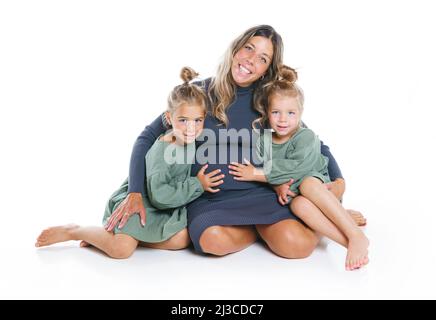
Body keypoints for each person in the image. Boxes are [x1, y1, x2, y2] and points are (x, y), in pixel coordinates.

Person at [106, 25, 365, 259]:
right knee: (211, 242)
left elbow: (314, 144)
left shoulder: (268, 101)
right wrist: (135, 192)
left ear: (267, 69)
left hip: (262, 192)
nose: (251, 60)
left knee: (295, 246)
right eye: (249, 49)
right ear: (235, 48)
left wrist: (339, 181)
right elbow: (146, 137)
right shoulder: (198, 93)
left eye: (262, 58)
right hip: (209, 198)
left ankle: (322, 217)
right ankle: (256, 229)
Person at [35, 67, 224, 259]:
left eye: (198, 120)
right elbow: (159, 196)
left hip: (164, 208)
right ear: (168, 118)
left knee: (182, 239)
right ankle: (75, 231)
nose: (191, 128)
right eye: (183, 120)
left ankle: (106, 237)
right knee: (121, 250)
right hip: (148, 203)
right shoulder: (163, 153)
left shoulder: (186, 139)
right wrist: (197, 184)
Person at [228, 65, 369, 270]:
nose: (283, 119)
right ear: (267, 113)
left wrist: (256, 174)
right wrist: (278, 187)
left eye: (290, 113)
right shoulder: (265, 140)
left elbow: (296, 168)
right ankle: (348, 242)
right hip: (299, 199)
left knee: (308, 184)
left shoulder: (305, 136)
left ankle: (355, 234)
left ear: (300, 113)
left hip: (322, 191)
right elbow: (276, 173)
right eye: (276, 112)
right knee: (298, 205)